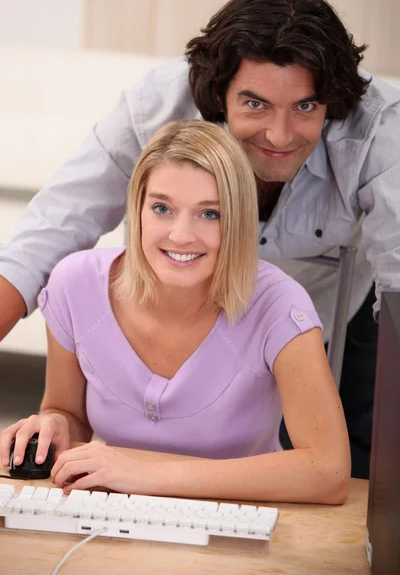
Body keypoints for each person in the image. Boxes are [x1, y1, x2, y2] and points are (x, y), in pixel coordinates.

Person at [1, 0, 399, 479]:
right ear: (216, 96)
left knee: (366, 467)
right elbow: (50, 230)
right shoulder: (156, 106)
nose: (279, 135)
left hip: (325, 314)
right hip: (176, 305)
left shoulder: (379, 129)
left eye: (304, 108)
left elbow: (399, 277)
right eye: (254, 104)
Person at [0, 120, 350, 503]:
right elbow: (70, 414)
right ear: (138, 208)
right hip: (114, 519)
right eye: (162, 208)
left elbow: (328, 472)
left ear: (239, 220)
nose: (181, 235)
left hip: (245, 525)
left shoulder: (280, 306)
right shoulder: (76, 285)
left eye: (210, 214)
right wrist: (54, 425)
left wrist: (149, 477)